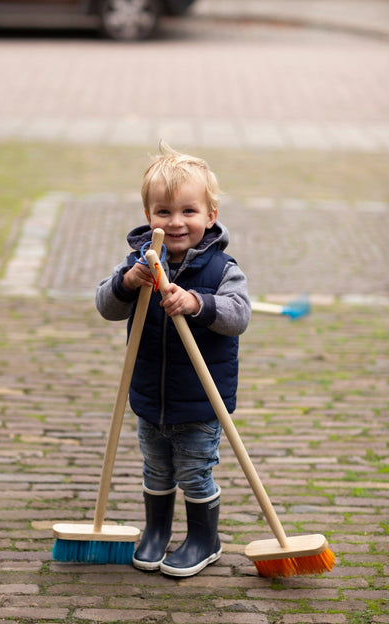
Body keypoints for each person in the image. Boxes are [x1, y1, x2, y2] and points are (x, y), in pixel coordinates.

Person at [96, 142, 251, 577]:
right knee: (156, 467)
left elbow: (238, 316)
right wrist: (128, 282)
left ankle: (205, 538)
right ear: (149, 216)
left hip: (202, 399)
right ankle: (156, 531)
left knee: (195, 471)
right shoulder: (139, 262)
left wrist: (197, 303)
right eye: (163, 212)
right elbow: (106, 307)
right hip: (149, 395)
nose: (176, 222)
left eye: (189, 211)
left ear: (210, 216)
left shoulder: (222, 270)